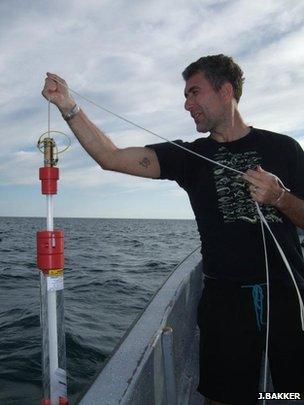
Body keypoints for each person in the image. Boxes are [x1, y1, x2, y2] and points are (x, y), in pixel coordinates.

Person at [42, 54, 304, 405]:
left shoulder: (284, 148)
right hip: (225, 304)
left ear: (226, 91)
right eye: (186, 95)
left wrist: (280, 197)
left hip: (289, 297)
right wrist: (68, 105)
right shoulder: (189, 157)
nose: (187, 104)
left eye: (195, 93)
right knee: (227, 398)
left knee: (291, 394)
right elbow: (111, 156)